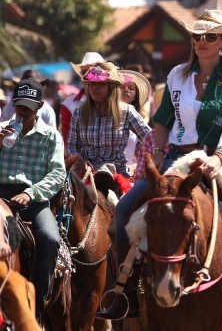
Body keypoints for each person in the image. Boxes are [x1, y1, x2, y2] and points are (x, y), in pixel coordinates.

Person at [99, 10, 222, 326]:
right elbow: (162, 120)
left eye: (210, 36)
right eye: (197, 36)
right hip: (176, 159)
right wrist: (159, 152)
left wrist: (219, 157)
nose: (202, 41)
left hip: (221, 160)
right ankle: (127, 291)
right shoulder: (176, 75)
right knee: (123, 213)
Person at [0, 79, 65, 314]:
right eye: (19, 105)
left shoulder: (51, 136)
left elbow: (58, 174)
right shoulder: (2, 129)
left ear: (39, 106)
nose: (22, 110)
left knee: (49, 238)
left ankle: (39, 303)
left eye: (28, 105)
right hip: (0, 195)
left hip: (33, 199)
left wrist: (30, 192)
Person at [66, 63, 151, 183]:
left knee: (128, 202)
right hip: (84, 172)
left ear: (111, 87)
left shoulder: (127, 111)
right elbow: (71, 145)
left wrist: (140, 165)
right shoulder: (79, 112)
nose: (95, 88)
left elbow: (150, 138)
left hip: (117, 173)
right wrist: (82, 162)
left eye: (101, 84)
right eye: (92, 83)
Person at [119, 69, 154, 181]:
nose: (126, 90)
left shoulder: (135, 117)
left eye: (131, 88)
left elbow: (149, 140)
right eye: (121, 87)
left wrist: (137, 167)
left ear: (136, 95)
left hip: (128, 173)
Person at [61, 51, 105, 142]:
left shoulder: (119, 103)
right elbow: (67, 139)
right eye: (85, 72)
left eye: (93, 71)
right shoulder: (69, 103)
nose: (88, 75)